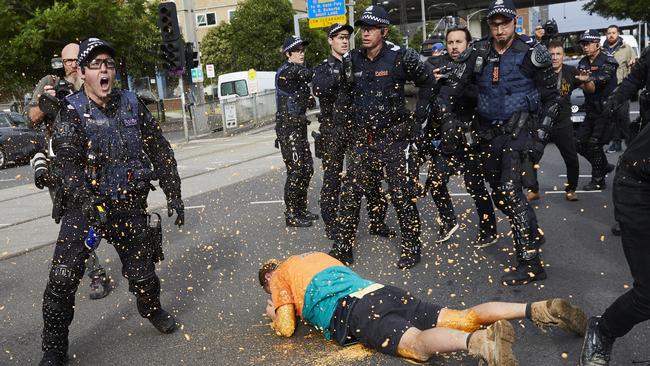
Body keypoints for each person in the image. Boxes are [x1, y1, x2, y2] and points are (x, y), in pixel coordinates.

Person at [39, 38, 184, 366]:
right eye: (96, 64)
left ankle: (152, 310)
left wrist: (174, 191)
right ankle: (53, 350)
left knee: (144, 276)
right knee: (62, 280)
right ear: (83, 72)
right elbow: (67, 163)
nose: (104, 69)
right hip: (85, 209)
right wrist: (86, 201)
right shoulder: (71, 110)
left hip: (128, 204)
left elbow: (160, 148)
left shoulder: (133, 104)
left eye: (109, 64)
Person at [259, 251, 588, 365]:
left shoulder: (278, 278)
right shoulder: (313, 257)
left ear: (268, 277)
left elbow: (287, 326)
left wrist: (276, 312)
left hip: (356, 311)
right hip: (381, 291)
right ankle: (539, 308)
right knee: (463, 316)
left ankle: (480, 344)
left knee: (417, 346)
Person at [328, 5, 435, 269]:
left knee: (400, 194)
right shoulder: (352, 60)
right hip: (363, 140)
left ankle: (411, 246)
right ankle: (342, 248)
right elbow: (343, 96)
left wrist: (418, 120)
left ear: (384, 32)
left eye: (372, 29)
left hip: (394, 139)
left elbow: (429, 82)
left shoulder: (402, 57)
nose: (365, 34)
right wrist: (339, 129)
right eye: (363, 28)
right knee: (351, 193)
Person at [470, 0, 560, 285]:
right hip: (488, 134)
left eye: (504, 23)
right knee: (499, 195)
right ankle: (530, 229)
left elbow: (553, 100)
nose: (499, 29)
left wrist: (540, 139)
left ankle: (531, 264)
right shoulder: (479, 51)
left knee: (510, 190)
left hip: (518, 132)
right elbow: (463, 89)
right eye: (494, 24)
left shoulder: (533, 52)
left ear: (513, 23)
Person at [580, 46, 650, 366]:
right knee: (649, 294)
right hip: (638, 187)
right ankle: (603, 330)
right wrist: (616, 99)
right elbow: (634, 78)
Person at [25, 42, 111, 300]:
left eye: (77, 60)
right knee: (74, 223)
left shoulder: (92, 78)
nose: (73, 65)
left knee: (108, 215)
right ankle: (94, 273)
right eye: (67, 62)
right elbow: (31, 117)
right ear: (61, 64)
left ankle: (135, 262)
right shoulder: (50, 82)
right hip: (61, 168)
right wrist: (47, 102)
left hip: (95, 163)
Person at [311, 23, 395, 240]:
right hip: (333, 130)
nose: (344, 41)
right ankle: (332, 223)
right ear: (330, 40)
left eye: (347, 37)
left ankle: (377, 221)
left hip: (358, 128)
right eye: (339, 37)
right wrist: (343, 72)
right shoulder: (325, 67)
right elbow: (319, 88)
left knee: (371, 176)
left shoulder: (359, 61)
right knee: (332, 178)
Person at [424, 27, 498, 246]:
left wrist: (464, 81)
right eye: (450, 42)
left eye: (459, 41)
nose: (454, 46)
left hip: (471, 138)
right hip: (446, 139)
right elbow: (421, 93)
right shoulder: (439, 65)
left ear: (468, 43)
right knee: (435, 182)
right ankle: (448, 221)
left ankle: (488, 229)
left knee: (475, 187)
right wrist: (431, 81)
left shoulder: (478, 63)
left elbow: (486, 96)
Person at [526, 40, 585, 202]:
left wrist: (587, 81)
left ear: (563, 56)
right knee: (532, 157)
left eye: (558, 54)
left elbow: (590, 88)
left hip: (563, 123)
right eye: (551, 54)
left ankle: (571, 189)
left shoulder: (571, 71)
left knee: (571, 158)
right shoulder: (540, 73)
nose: (555, 57)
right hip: (542, 122)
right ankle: (533, 189)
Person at [275, 35, 318, 228]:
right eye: (297, 50)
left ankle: (300, 208)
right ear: (288, 54)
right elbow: (305, 75)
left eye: (302, 50)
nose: (302, 53)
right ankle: (291, 214)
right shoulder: (286, 72)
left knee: (307, 168)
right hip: (288, 128)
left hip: (299, 127)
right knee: (296, 170)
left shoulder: (298, 72)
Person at [575, 29, 618, 191]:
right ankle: (603, 164)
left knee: (594, 143)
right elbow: (578, 81)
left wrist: (586, 81)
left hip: (606, 109)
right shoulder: (583, 62)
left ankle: (598, 180)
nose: (585, 47)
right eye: (583, 43)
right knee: (578, 143)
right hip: (591, 109)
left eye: (588, 43)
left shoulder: (608, 60)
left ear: (597, 44)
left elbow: (601, 80)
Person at [603, 25, 636, 154]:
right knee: (612, 116)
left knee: (623, 115)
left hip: (622, 85)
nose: (611, 35)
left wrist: (633, 63)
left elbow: (634, 64)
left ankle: (631, 142)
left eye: (613, 32)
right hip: (607, 87)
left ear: (618, 34)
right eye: (609, 33)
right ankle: (616, 143)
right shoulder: (602, 50)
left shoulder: (626, 48)